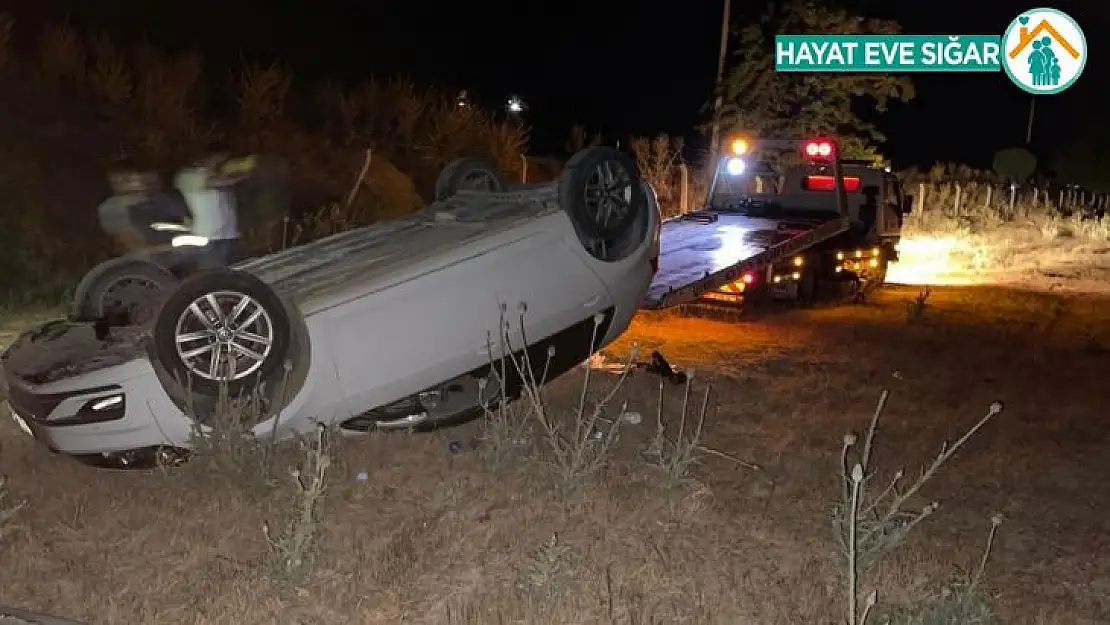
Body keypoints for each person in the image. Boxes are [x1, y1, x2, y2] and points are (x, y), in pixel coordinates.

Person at [175, 141, 251, 270]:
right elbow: (222, 182)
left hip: (230, 236)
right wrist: (248, 174)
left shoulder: (214, 174)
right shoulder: (187, 176)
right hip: (208, 239)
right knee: (213, 279)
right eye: (223, 158)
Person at [97, 159, 190, 254]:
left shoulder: (162, 197)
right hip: (146, 263)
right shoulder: (115, 207)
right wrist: (182, 247)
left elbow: (185, 224)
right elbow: (136, 249)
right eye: (130, 180)